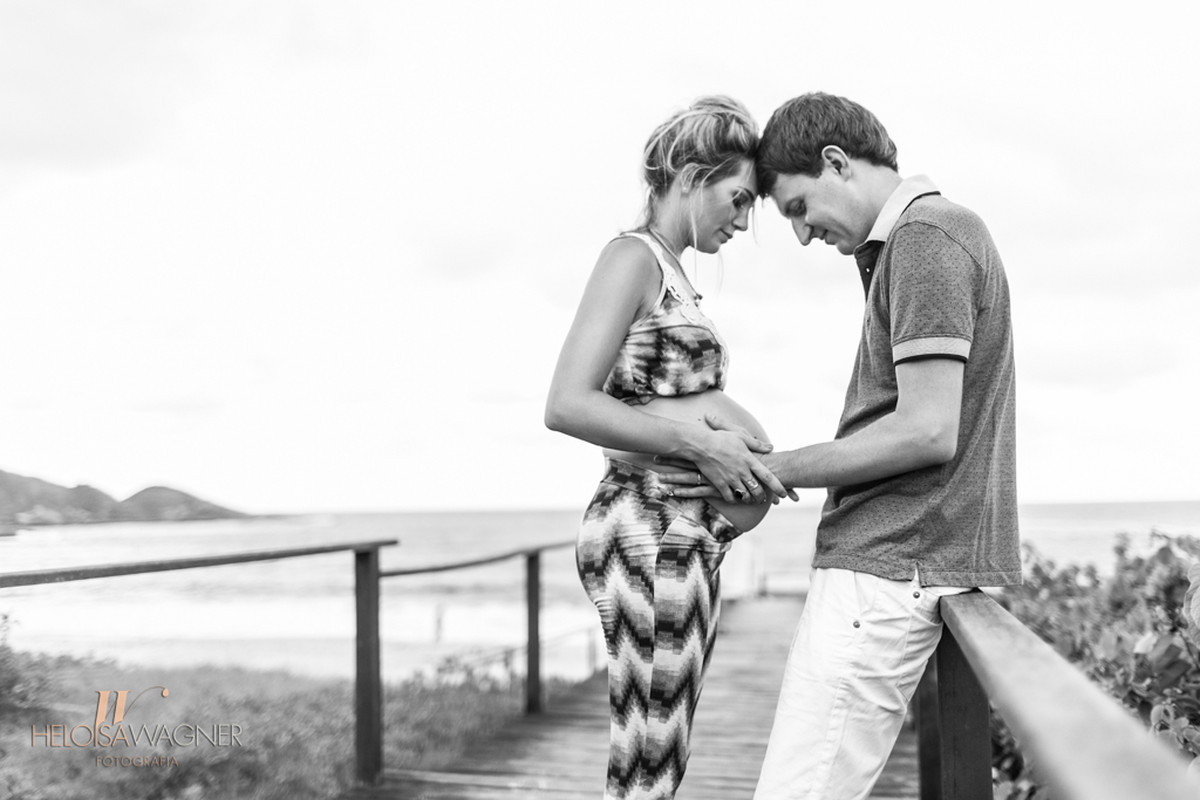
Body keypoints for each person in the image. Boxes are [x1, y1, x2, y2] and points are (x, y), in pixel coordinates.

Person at [661, 91, 1021, 800]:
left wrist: (769, 470)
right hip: (903, 564)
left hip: (888, 566)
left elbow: (926, 430)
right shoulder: (921, 239)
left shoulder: (926, 238)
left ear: (835, 162)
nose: (800, 234)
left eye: (797, 208)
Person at [544, 95, 793, 800]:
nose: (743, 222)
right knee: (649, 751)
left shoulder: (672, 274)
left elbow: (651, 394)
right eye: (738, 199)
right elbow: (568, 402)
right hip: (646, 528)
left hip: (680, 532)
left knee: (661, 748)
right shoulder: (631, 257)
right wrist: (702, 445)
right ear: (689, 175)